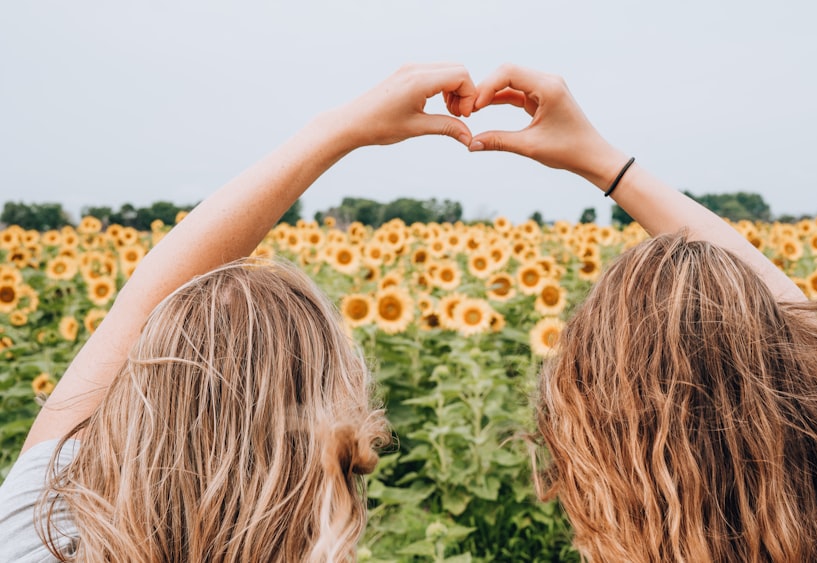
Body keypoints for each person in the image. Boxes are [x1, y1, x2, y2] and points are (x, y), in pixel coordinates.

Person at [465, 64, 817, 562]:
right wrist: (603, 160)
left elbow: (803, 335)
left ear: (599, 446)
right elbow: (804, 334)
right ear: (806, 409)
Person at [0, 63, 481, 562]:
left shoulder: (34, 541)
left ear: (131, 420)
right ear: (329, 457)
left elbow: (135, 310)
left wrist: (338, 128)